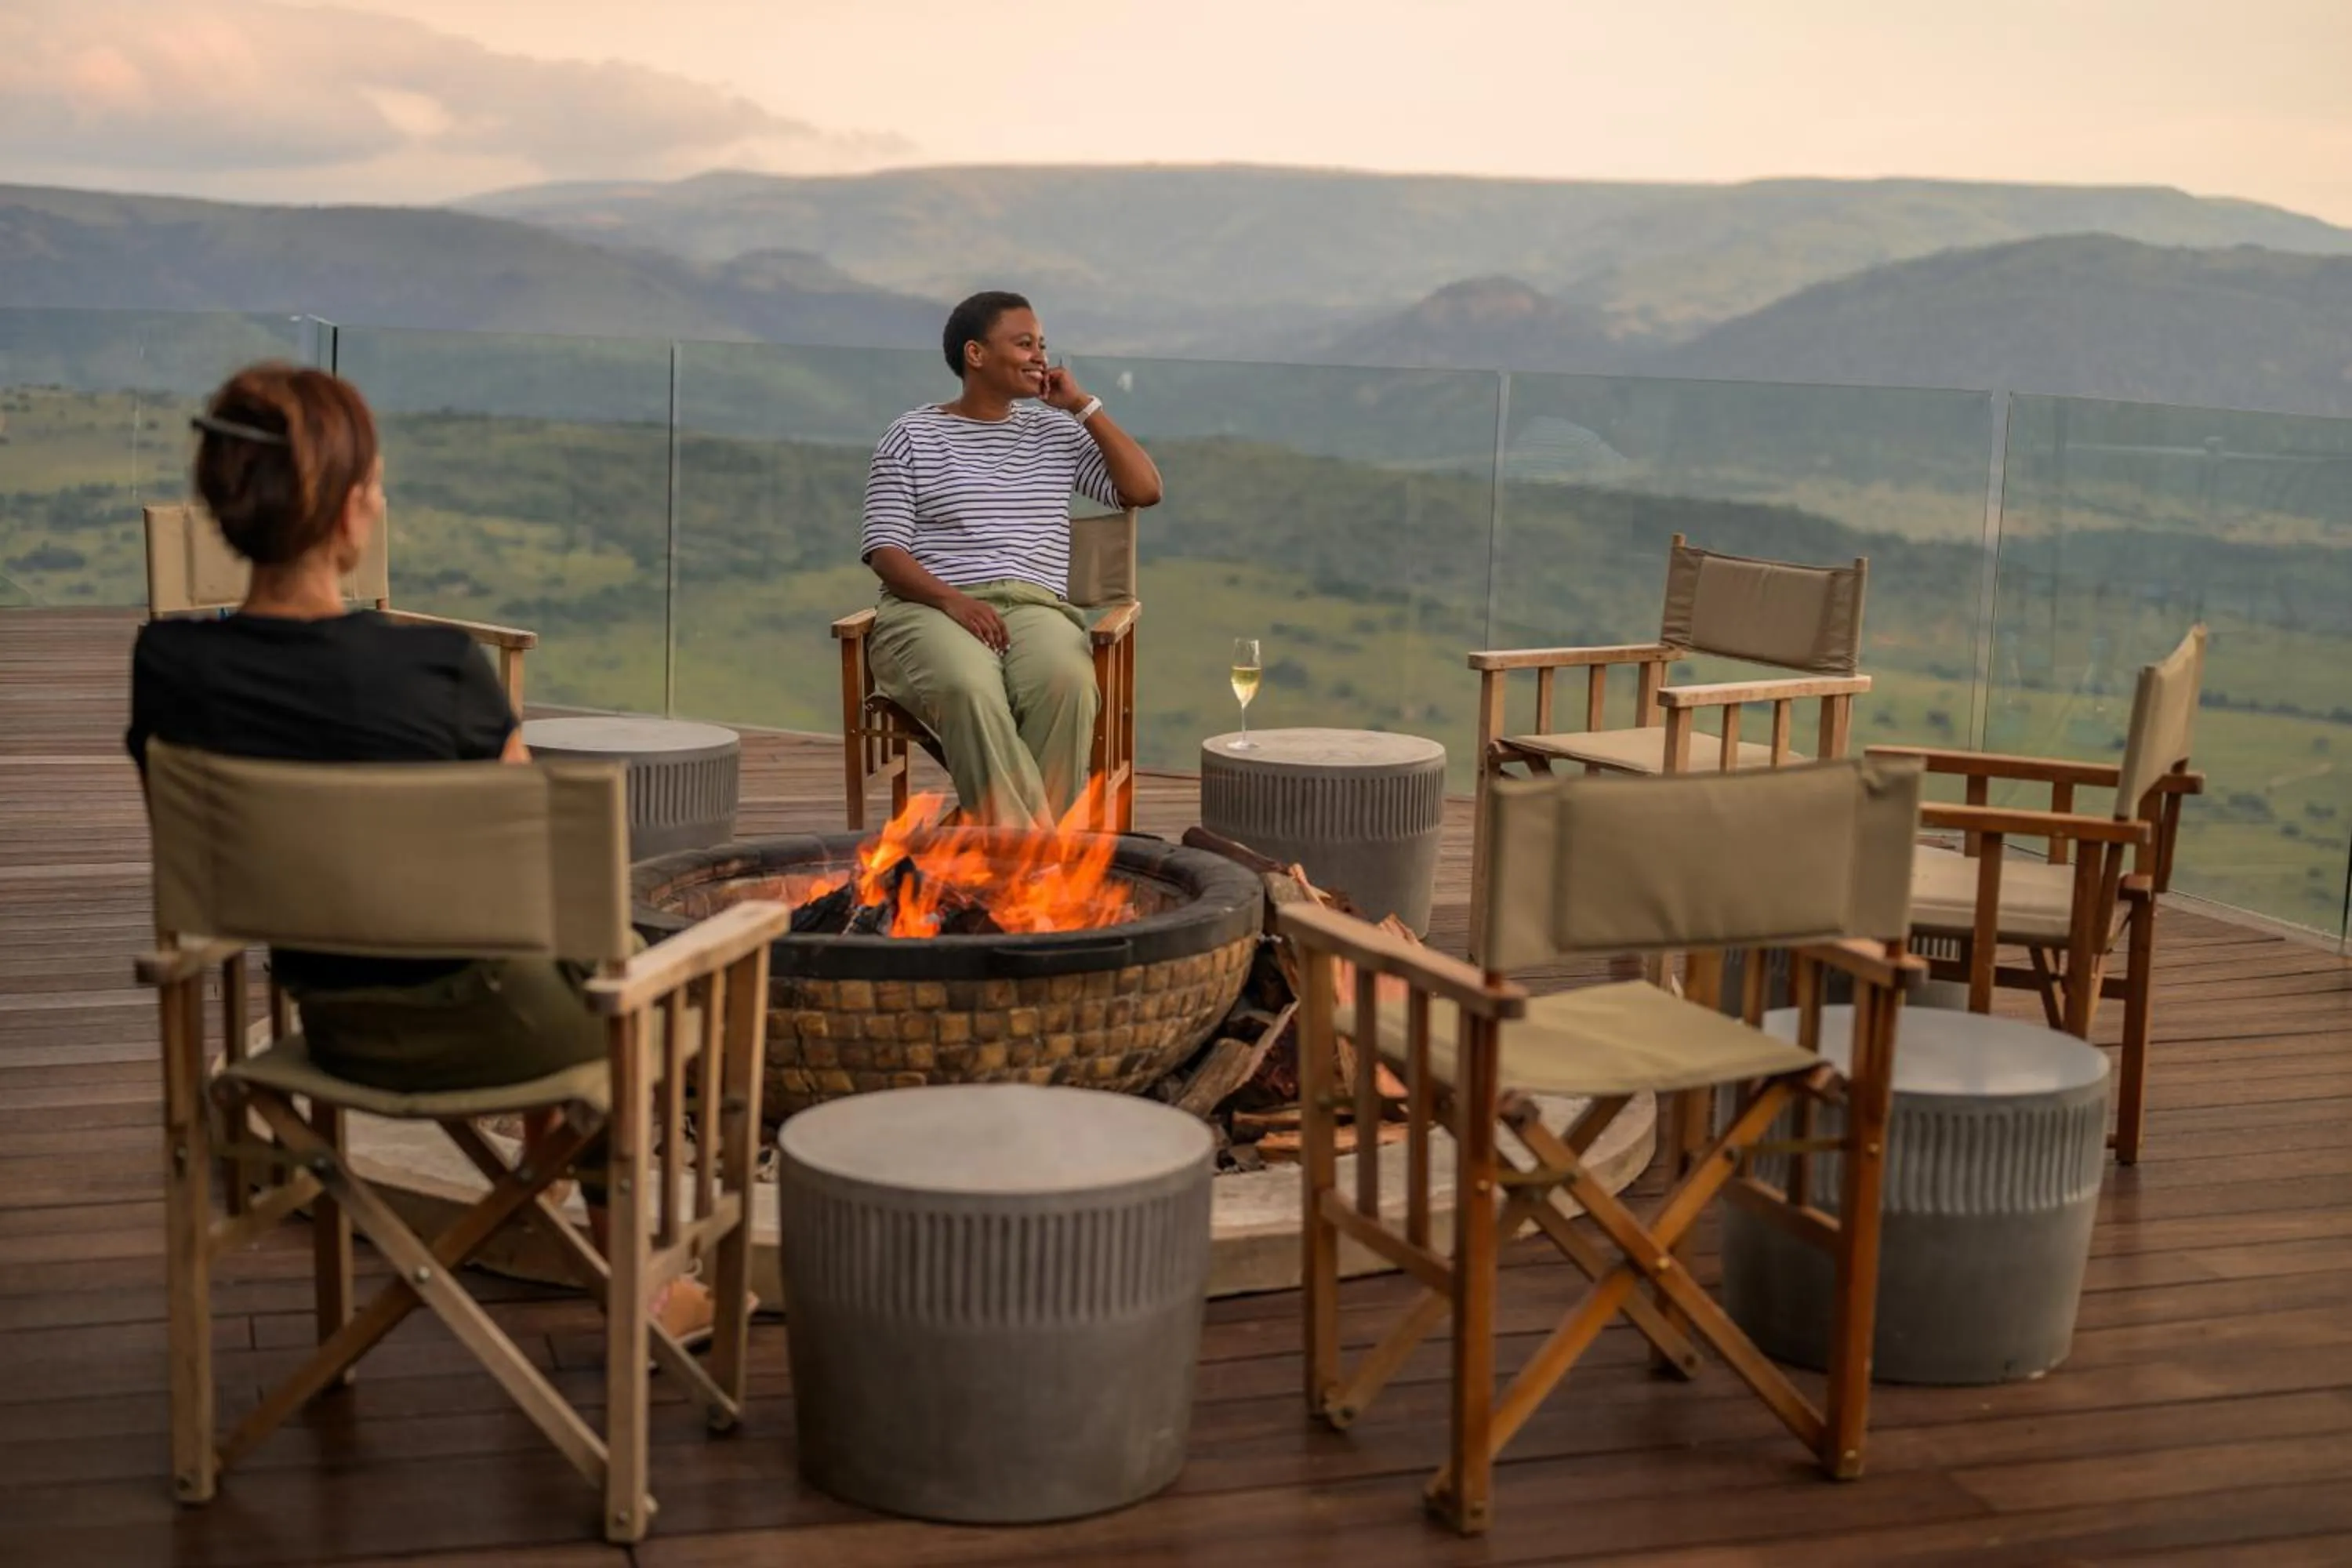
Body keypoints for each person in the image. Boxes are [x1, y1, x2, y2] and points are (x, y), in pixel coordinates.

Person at [124, 362, 718, 1343]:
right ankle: (642, 1291)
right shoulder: (438, 669)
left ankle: (553, 1211)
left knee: (567, 974)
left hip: (329, 1022)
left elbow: (198, 850)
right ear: (352, 513)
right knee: (621, 1008)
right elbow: (530, 885)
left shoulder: (168, 668)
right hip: (497, 1022)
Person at [860, 290, 1163, 826]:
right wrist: (953, 602)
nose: (1040, 357)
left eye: (1042, 345)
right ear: (976, 355)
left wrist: (1083, 406)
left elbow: (1143, 489)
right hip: (930, 608)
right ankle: (1039, 860)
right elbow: (884, 550)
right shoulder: (913, 434)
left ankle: (1006, 850)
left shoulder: (1056, 433)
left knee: (1066, 683)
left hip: (1034, 609)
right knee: (966, 686)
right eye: (1024, 344)